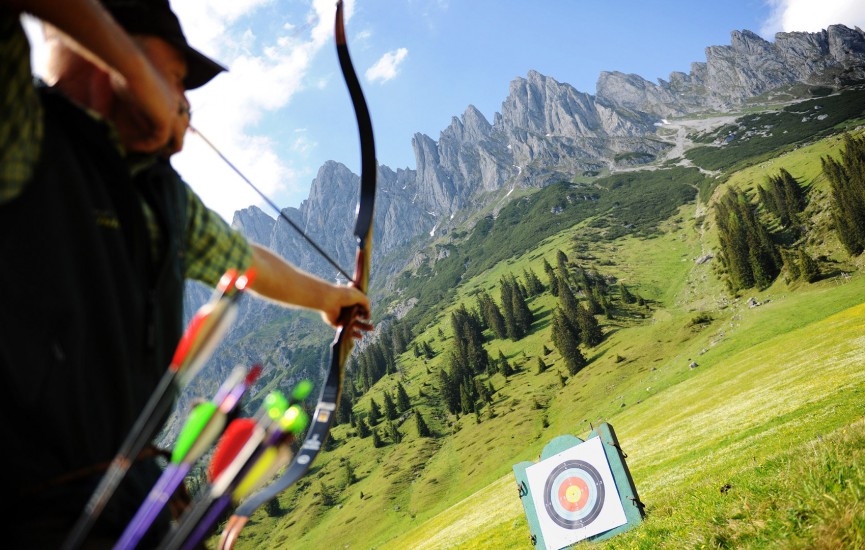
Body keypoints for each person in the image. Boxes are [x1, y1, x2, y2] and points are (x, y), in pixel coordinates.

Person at [0, 0, 371, 546]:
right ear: (106, 49)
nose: (184, 101)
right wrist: (132, 66)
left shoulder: (160, 196)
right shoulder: (23, 132)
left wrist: (330, 299)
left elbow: (248, 261)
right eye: (174, 76)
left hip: (133, 510)